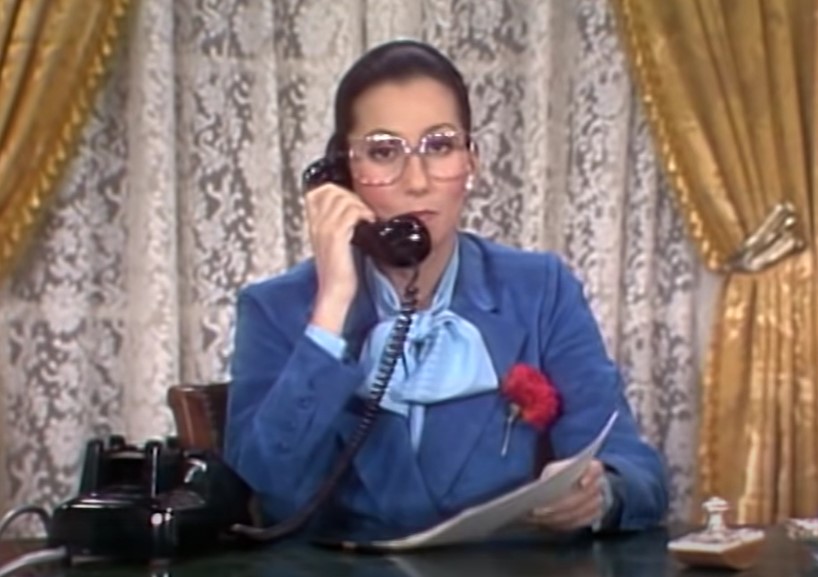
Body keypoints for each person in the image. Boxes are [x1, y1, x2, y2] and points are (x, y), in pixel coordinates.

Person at [223, 39, 668, 540]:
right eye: (384, 151)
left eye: (439, 146)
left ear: (471, 161)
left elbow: (637, 469)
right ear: (344, 173)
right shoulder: (274, 308)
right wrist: (331, 308)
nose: (416, 181)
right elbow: (267, 491)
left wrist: (599, 492)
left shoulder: (541, 290)